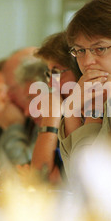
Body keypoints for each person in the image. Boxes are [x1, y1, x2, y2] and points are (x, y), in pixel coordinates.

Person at [57, 0, 111, 181]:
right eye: (80, 51)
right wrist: (72, 111)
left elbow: (92, 182)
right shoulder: (103, 98)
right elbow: (78, 183)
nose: (88, 62)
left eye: (100, 48)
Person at [30, 31, 82, 186]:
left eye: (57, 72)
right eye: (50, 74)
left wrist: (51, 116)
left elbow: (44, 178)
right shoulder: (65, 112)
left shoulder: (95, 112)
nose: (51, 84)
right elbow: (39, 176)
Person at [0, 47, 40, 167]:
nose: (8, 96)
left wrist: (13, 126)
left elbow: (24, 168)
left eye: (12, 88)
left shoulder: (49, 112)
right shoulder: (21, 112)